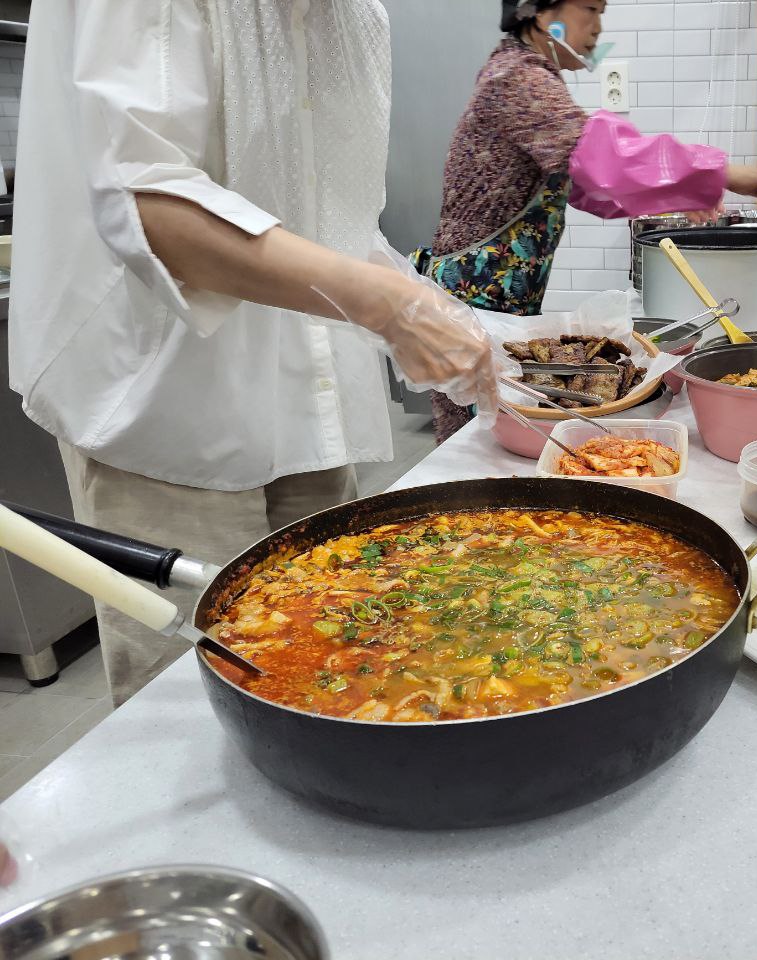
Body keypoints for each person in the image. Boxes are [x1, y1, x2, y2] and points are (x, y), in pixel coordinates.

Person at [9, 1, 496, 706]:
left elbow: (328, 216)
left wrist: (429, 306)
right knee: (187, 698)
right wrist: (387, 308)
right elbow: (145, 203)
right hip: (159, 396)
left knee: (340, 659)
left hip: (312, 391)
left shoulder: (357, 15)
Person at [420, 0, 757, 440]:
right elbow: (605, 160)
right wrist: (718, 173)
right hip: (472, 300)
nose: (599, 27)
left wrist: (682, 190)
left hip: (492, 298)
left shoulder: (524, 73)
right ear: (540, 11)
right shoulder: (518, 80)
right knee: (474, 442)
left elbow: (590, 186)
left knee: (492, 430)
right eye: (590, 8)